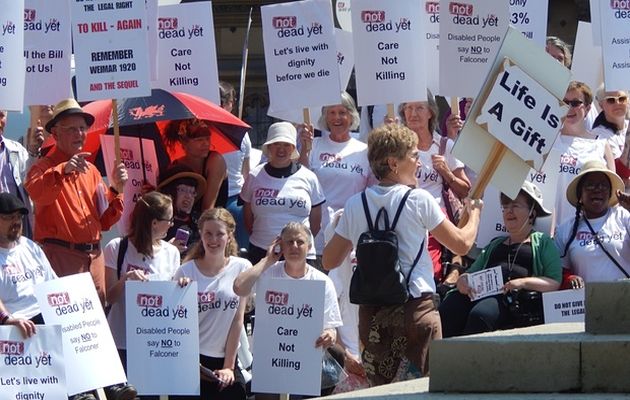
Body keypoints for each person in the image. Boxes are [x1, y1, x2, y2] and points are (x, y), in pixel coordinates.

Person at [323, 124, 482, 385]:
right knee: (423, 391)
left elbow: (329, 260)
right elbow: (462, 245)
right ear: (393, 163)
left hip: (372, 316)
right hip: (415, 310)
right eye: (414, 155)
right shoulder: (419, 200)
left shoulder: (355, 204)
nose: (419, 162)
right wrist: (474, 212)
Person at [24, 98, 128, 304]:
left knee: (96, 325)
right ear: (55, 134)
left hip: (94, 259)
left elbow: (105, 221)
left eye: (82, 128)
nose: (79, 134)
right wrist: (64, 170)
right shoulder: (42, 167)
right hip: (62, 258)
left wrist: (116, 188)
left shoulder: (91, 171)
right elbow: (37, 193)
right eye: (72, 129)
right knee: (66, 328)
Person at [234, 221, 342, 397]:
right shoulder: (267, 274)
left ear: (309, 246)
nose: (294, 246)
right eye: (289, 242)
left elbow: (331, 326)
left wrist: (329, 334)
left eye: (299, 242)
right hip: (270, 366)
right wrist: (267, 260)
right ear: (280, 245)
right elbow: (239, 288)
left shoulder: (323, 282)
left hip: (306, 367)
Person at [439, 182, 562, 337]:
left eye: (515, 205)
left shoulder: (543, 242)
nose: (509, 211)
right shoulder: (495, 244)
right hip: (477, 293)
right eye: (506, 206)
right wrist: (463, 281)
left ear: (532, 212)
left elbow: (554, 282)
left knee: (481, 315)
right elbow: (471, 272)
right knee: (448, 309)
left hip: (511, 300)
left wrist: (523, 283)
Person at [103, 191, 179, 400]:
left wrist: (182, 286)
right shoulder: (117, 248)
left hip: (152, 342)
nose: (172, 224)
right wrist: (125, 279)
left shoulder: (171, 253)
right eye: (169, 219)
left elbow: (171, 302)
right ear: (154, 222)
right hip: (120, 340)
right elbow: (109, 297)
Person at [174, 208, 251, 400]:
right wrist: (178, 291)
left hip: (224, 358)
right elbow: (175, 324)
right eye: (208, 233)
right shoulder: (185, 272)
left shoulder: (242, 268)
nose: (213, 239)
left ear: (230, 236)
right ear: (200, 234)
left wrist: (228, 366)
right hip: (190, 359)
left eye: (219, 234)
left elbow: (237, 321)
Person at [398, 91, 471, 280]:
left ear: (430, 112)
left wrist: (446, 173)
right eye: (409, 108)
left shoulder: (444, 145)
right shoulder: (397, 148)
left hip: (436, 222)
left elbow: (465, 189)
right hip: (403, 218)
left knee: (429, 273)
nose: (413, 113)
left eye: (419, 108)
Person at [298, 92, 374, 267]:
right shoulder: (313, 145)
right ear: (325, 117)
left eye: (342, 112)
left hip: (351, 235)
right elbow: (302, 180)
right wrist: (304, 150)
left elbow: (372, 191)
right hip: (316, 235)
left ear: (351, 115)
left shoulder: (364, 151)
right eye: (332, 112)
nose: (337, 118)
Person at [240, 122, 325, 264]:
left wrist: (296, 242)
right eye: (276, 144)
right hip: (261, 252)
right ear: (268, 147)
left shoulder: (309, 177)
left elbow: (315, 222)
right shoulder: (254, 176)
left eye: (286, 145)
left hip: (300, 255)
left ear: (293, 148)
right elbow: (248, 219)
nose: (281, 149)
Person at [555, 160, 630, 286]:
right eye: (590, 185)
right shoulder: (565, 230)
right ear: (580, 195)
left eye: (603, 185)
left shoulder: (624, 217)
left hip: (624, 302)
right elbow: (558, 272)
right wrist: (569, 278)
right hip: (586, 302)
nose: (597, 190)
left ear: (610, 193)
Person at [552, 81, 615, 228]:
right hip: (547, 229)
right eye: (565, 102)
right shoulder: (546, 140)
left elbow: (613, 194)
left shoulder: (601, 144)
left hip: (585, 232)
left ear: (587, 108)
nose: (569, 107)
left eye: (576, 103)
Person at [0, 193, 54, 337]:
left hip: (46, 317)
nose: (16, 222)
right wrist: (7, 319)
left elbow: (53, 283)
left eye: (19, 217)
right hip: (14, 327)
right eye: (10, 217)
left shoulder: (29, 246)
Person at [164, 118, 228, 210]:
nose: (206, 143)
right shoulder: (176, 166)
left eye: (207, 138)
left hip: (214, 220)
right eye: (199, 140)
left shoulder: (215, 160)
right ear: (183, 142)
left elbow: (208, 208)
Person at [219, 81, 252, 250]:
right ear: (228, 104)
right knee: (239, 249)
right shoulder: (242, 134)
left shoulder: (203, 131)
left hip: (229, 198)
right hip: (234, 198)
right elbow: (247, 174)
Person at [0, 109, 36, 238]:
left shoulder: (17, 150)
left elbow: (31, 185)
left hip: (14, 232)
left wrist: (33, 151)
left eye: (1, 116)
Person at [157, 164, 207, 254]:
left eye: (192, 192)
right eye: (183, 190)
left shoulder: (199, 224)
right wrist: (167, 250)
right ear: (170, 192)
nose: (189, 196)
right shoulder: (157, 223)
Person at [591, 86, 629, 175]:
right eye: (611, 100)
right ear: (601, 105)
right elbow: (618, 171)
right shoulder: (598, 135)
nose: (617, 103)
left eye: (622, 99)